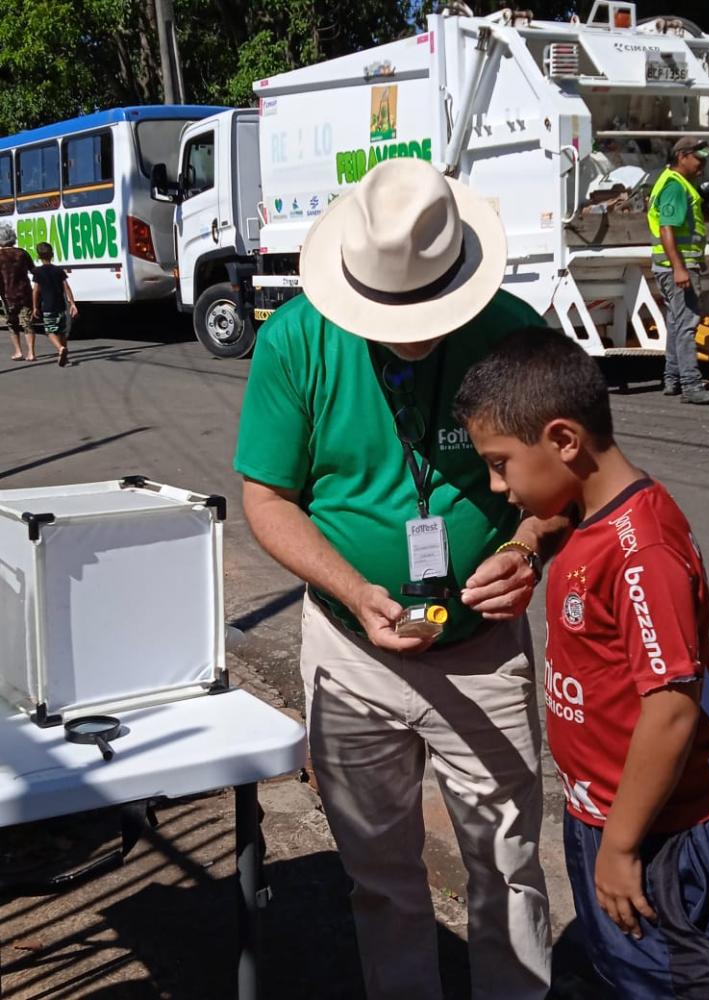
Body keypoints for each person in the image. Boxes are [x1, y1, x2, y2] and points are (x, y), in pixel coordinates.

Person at [235, 159, 569, 999]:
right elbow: (268, 498)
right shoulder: (295, 340)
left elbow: (569, 481)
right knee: (381, 881)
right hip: (351, 654)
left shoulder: (511, 332)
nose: (413, 331)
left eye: (429, 311)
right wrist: (354, 590)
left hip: (483, 651)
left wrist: (527, 548)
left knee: (510, 871)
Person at [455, 325, 709, 999]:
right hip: (607, 819)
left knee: (675, 984)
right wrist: (528, 545)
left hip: (663, 841)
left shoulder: (641, 549)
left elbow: (672, 710)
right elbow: (561, 523)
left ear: (563, 440)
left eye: (501, 463)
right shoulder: (586, 516)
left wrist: (620, 849)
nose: (498, 487)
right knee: (625, 978)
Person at [648, 136, 709, 404]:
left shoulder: (681, 184)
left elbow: (698, 209)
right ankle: (691, 385)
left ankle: (673, 379)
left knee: (677, 322)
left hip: (673, 265)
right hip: (677, 265)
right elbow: (667, 227)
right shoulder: (675, 187)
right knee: (687, 323)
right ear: (682, 156)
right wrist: (679, 268)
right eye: (699, 158)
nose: (703, 164)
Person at [32, 241, 77, 367]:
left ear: (38, 256)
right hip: (61, 306)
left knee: (50, 331)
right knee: (62, 332)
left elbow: (36, 290)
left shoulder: (38, 272)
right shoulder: (58, 270)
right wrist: (72, 303)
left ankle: (60, 349)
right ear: (52, 254)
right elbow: (66, 287)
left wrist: (35, 306)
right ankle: (64, 357)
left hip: (48, 307)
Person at [0, 222, 36, 361]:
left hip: (8, 295)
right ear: (13, 238)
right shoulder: (22, 253)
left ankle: (18, 351)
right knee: (28, 322)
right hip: (25, 292)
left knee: (12, 323)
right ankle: (31, 353)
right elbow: (33, 271)